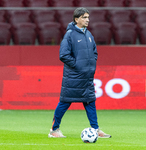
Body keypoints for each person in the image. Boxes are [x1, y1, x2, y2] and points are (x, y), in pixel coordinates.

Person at [48, 7, 111, 138]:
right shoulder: (70, 34)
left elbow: (95, 52)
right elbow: (63, 55)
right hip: (74, 77)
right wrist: (78, 66)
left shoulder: (88, 34)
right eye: (84, 17)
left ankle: (95, 129)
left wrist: (91, 65)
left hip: (87, 77)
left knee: (90, 103)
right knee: (65, 102)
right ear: (77, 19)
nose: (87, 20)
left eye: (88, 17)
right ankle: (54, 130)